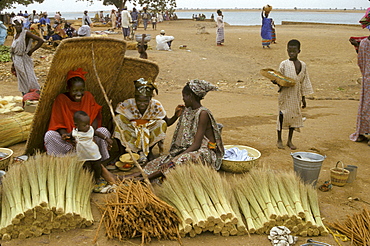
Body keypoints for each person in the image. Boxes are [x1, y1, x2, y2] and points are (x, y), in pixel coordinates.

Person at [122, 79, 224, 181]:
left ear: (191, 96)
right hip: (190, 149)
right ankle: (127, 177)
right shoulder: (188, 111)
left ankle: (145, 179)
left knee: (177, 161)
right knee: (160, 161)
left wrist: (176, 158)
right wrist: (176, 116)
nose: (183, 99)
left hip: (204, 152)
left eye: (184, 96)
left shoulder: (203, 114)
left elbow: (196, 145)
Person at [44, 68, 115, 182]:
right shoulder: (61, 99)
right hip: (70, 142)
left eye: (81, 90)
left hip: (89, 141)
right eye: (75, 90)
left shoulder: (88, 97)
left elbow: (95, 116)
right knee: (50, 135)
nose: (79, 93)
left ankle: (100, 164)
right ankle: (66, 163)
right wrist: (65, 135)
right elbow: (58, 121)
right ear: (68, 89)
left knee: (104, 131)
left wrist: (91, 135)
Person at [113, 78, 182, 162]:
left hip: (148, 132)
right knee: (117, 119)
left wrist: (175, 115)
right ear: (135, 98)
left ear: (150, 98)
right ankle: (122, 152)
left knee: (161, 123)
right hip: (132, 131)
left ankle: (148, 151)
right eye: (139, 101)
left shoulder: (156, 105)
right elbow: (117, 116)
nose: (142, 104)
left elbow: (167, 123)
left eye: (145, 101)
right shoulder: (128, 103)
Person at [272, 39, 313, 149]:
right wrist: (276, 82)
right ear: (287, 51)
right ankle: (279, 139)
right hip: (285, 95)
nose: (291, 53)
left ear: (299, 51)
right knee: (282, 116)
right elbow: (279, 78)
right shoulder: (284, 64)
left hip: (296, 96)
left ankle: (289, 140)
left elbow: (304, 82)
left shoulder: (303, 65)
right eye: (289, 51)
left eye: (294, 51)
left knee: (293, 117)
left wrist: (304, 98)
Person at [66, 111, 104, 182]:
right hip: (83, 155)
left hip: (93, 153)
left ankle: (97, 178)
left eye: (88, 124)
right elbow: (69, 136)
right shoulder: (74, 132)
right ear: (76, 125)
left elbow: (98, 133)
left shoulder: (91, 130)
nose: (87, 126)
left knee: (97, 167)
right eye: (84, 125)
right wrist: (67, 137)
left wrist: (106, 138)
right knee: (86, 168)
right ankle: (88, 180)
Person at [350, 13, 370, 144]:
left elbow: (361, 63)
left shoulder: (364, 44)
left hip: (367, 79)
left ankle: (362, 132)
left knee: (366, 105)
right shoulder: (364, 43)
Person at [10, 17, 44, 95]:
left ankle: (33, 93)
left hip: (24, 58)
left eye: (20, 25)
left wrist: (31, 51)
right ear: (14, 26)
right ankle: (25, 94)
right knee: (21, 78)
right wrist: (13, 63)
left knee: (28, 75)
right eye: (16, 25)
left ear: (22, 25)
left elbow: (40, 40)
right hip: (17, 59)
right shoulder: (15, 35)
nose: (18, 27)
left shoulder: (25, 33)